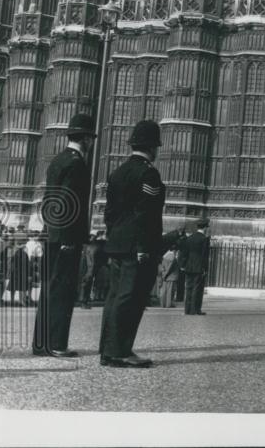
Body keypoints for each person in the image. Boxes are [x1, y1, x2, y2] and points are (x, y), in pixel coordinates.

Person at [99, 120, 171, 368]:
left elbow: (109, 213)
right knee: (130, 299)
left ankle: (108, 350)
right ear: (152, 147)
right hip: (136, 247)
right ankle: (121, 351)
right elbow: (146, 215)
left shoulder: (117, 172)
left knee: (114, 297)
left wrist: (114, 236)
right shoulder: (148, 173)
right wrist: (142, 247)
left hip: (117, 244)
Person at [32, 113, 95, 357]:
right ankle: (56, 344)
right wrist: (69, 239)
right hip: (65, 238)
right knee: (62, 291)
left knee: (50, 289)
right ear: (87, 139)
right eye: (90, 139)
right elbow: (68, 203)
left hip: (53, 235)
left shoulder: (58, 160)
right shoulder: (76, 163)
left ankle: (41, 343)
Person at [180, 219, 210, 315]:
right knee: (197, 289)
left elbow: (184, 253)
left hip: (189, 266)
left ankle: (187, 310)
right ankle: (195, 309)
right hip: (199, 267)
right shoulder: (204, 239)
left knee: (188, 288)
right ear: (205, 228)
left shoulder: (189, 238)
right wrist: (205, 268)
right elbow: (205, 255)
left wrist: (183, 265)